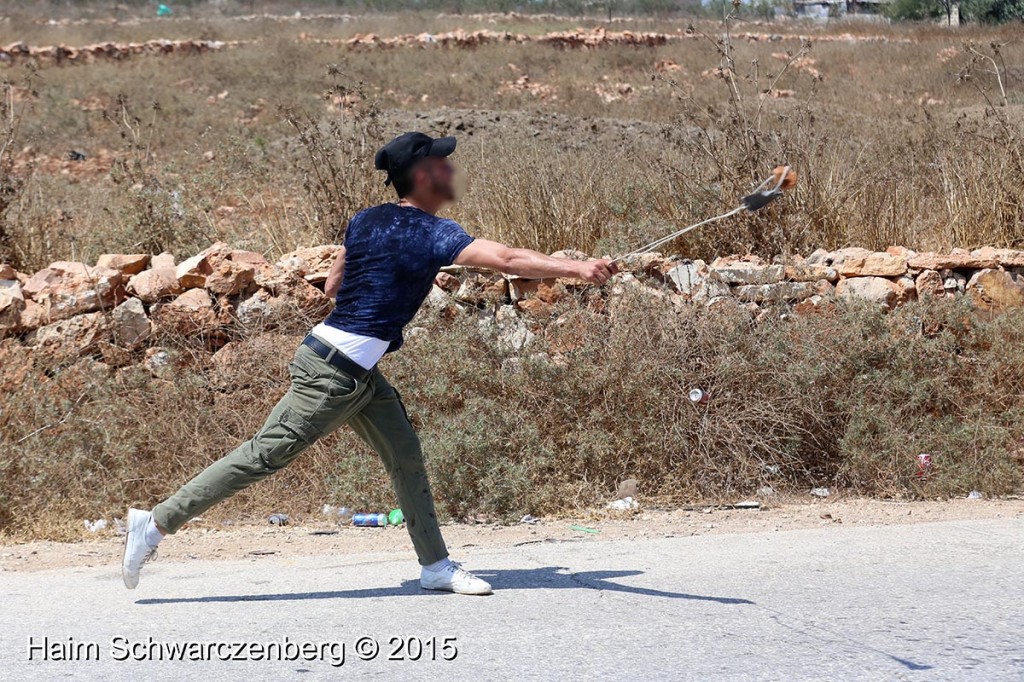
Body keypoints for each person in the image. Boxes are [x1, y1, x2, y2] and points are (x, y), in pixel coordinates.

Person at [122, 132, 618, 595]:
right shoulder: (432, 233)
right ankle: (157, 522)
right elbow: (507, 259)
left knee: (405, 455)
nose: (452, 170)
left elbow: (335, 285)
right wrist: (577, 268)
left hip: (353, 370)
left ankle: (435, 566)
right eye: (444, 162)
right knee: (262, 456)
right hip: (332, 374)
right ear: (424, 174)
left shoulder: (366, 219)